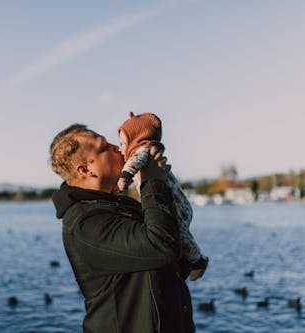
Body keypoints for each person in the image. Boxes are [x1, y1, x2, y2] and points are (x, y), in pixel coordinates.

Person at [50, 124, 195, 333]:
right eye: (105, 148)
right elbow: (161, 246)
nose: (116, 148)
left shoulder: (123, 205)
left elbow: (176, 260)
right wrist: (151, 180)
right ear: (85, 170)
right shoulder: (84, 224)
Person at [117, 112, 208, 281]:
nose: (120, 149)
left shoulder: (142, 151)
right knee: (180, 236)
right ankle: (188, 261)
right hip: (176, 202)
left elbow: (133, 163)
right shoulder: (150, 154)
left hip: (176, 205)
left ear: (136, 139)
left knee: (181, 236)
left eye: (122, 144)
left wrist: (124, 177)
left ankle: (198, 261)